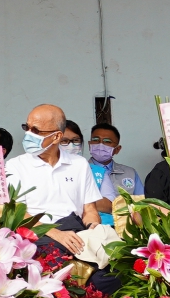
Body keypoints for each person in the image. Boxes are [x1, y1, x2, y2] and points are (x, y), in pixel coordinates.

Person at [10, 104, 103, 256]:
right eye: (27, 128)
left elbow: (90, 210)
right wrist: (56, 234)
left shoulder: (79, 164)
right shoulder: (15, 166)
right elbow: (17, 214)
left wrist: (93, 227)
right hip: (37, 235)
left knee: (109, 267)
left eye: (35, 131)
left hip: (75, 232)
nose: (28, 134)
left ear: (57, 136)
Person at [88, 122, 140, 207]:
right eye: (95, 140)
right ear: (89, 144)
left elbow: (142, 203)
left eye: (107, 141)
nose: (100, 144)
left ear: (117, 149)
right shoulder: (80, 170)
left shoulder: (130, 173)